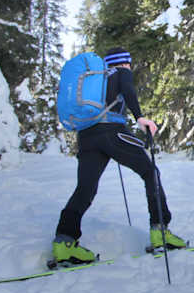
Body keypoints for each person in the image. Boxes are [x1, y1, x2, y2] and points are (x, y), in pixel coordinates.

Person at [52, 47, 185, 266]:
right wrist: (140, 118)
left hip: (86, 137)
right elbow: (129, 91)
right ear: (124, 62)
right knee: (150, 172)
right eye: (129, 63)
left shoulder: (98, 81)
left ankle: (64, 242)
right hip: (112, 133)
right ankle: (161, 232)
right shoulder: (120, 72)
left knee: (85, 188)